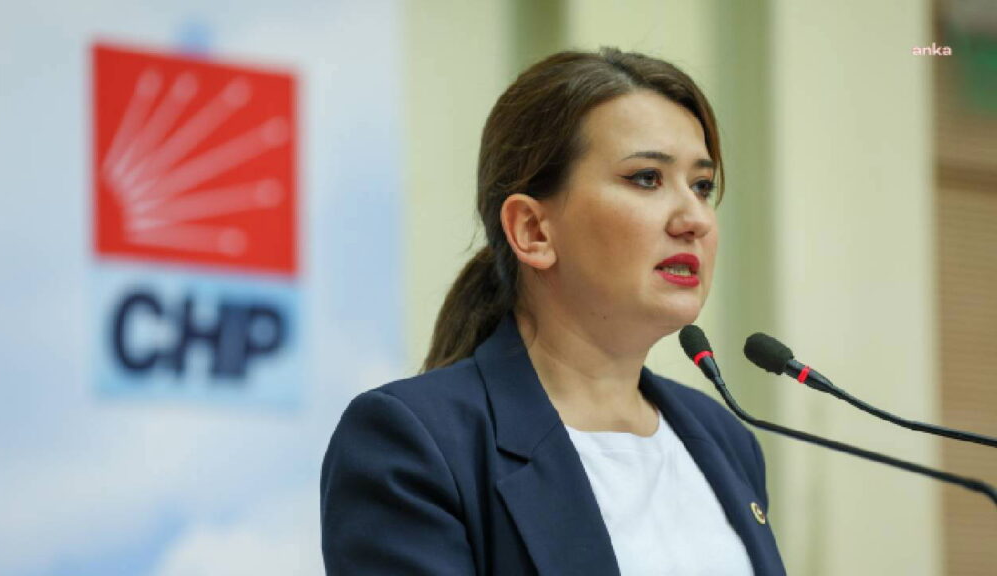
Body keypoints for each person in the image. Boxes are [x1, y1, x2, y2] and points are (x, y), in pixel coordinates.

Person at [320, 47, 786, 575]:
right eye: (646, 178)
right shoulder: (413, 441)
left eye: (702, 186)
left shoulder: (725, 439)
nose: (695, 219)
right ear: (532, 231)